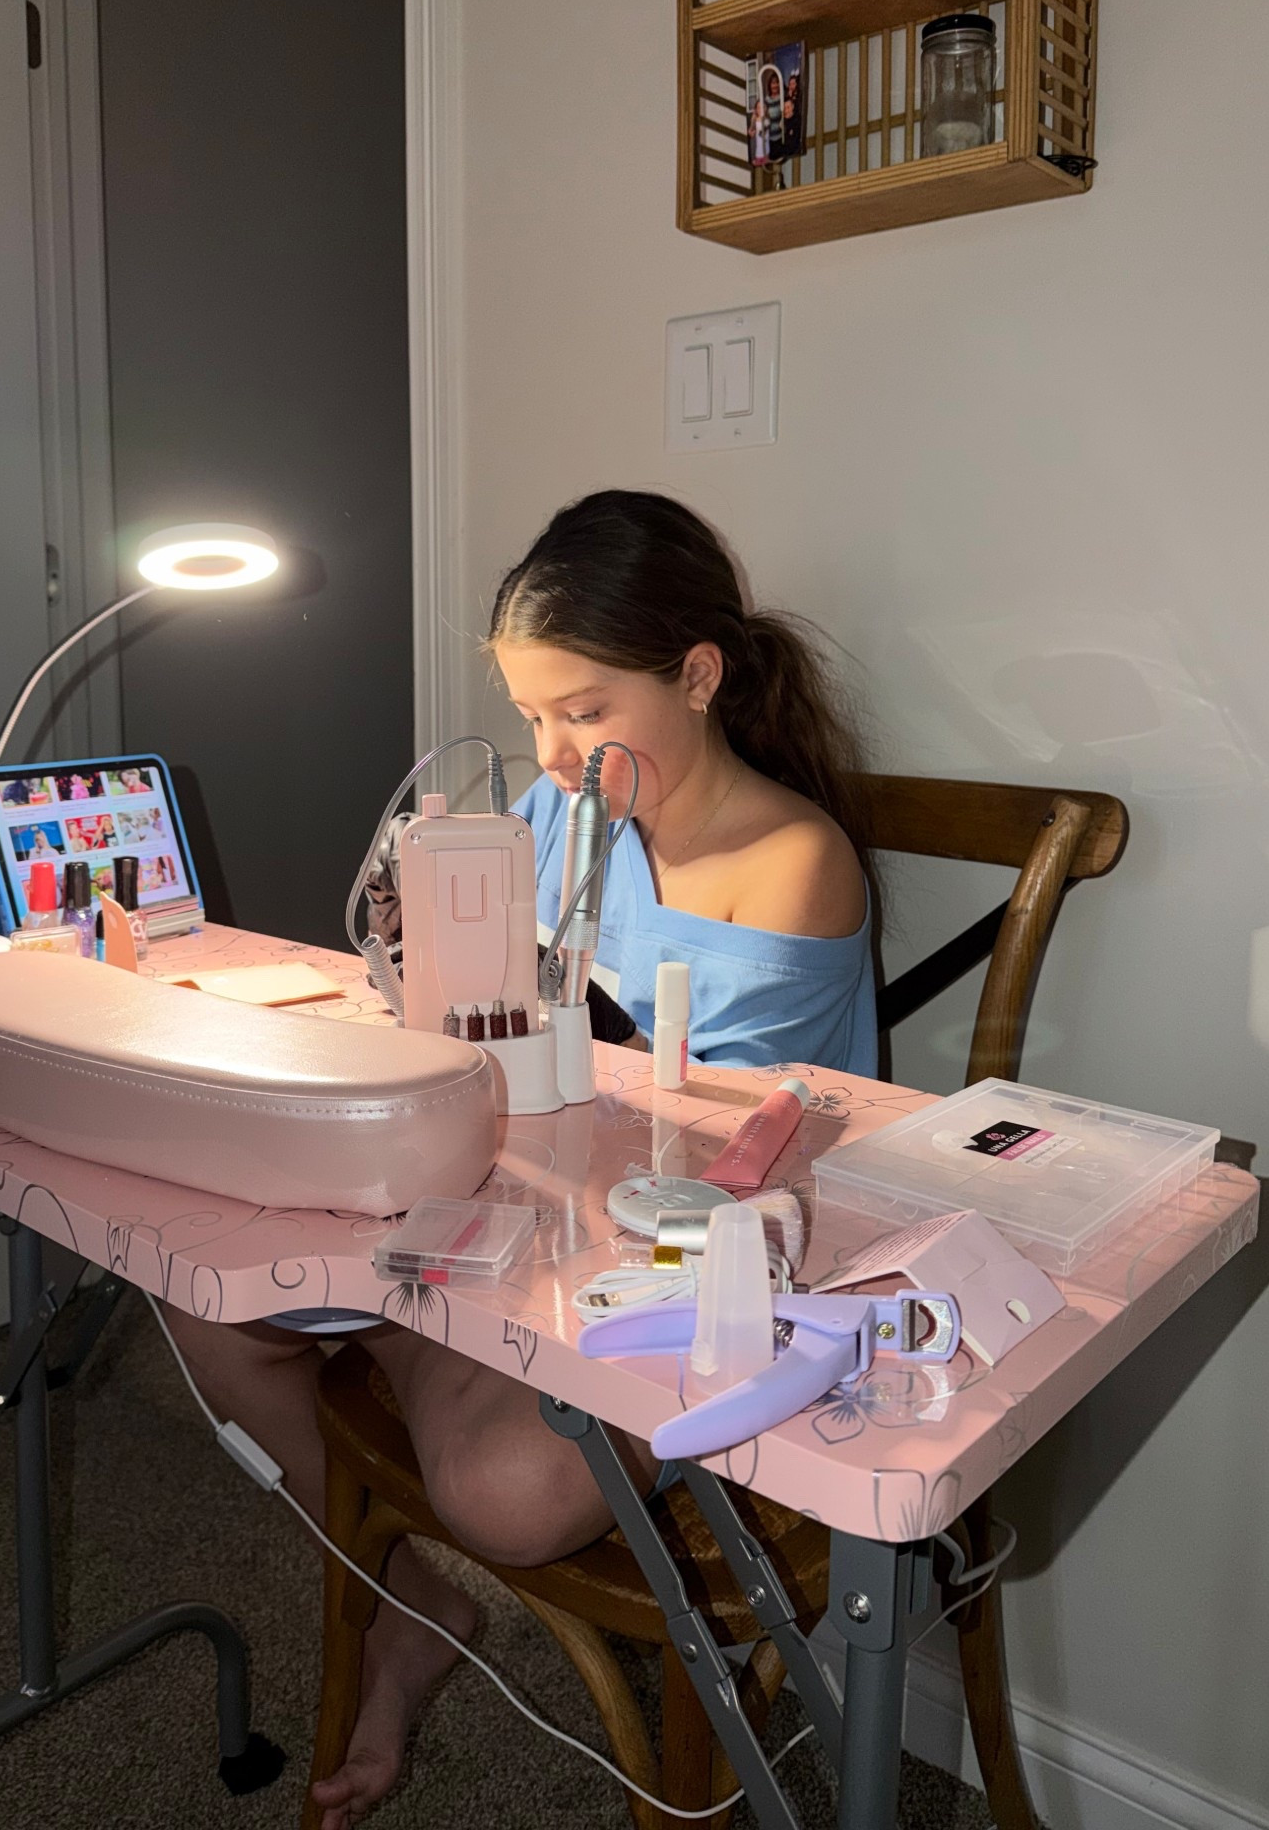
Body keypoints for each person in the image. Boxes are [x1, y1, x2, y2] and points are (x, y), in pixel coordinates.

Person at [164, 491, 876, 1828]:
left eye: (587, 711)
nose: (553, 752)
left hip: (673, 1280)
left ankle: (423, 1379)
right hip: (508, 1221)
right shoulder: (554, 821)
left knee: (502, 1489)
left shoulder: (792, 862)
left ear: (698, 677)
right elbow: (457, 1023)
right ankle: (405, 1610)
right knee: (209, 1302)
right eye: (535, 712)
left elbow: (699, 1161)